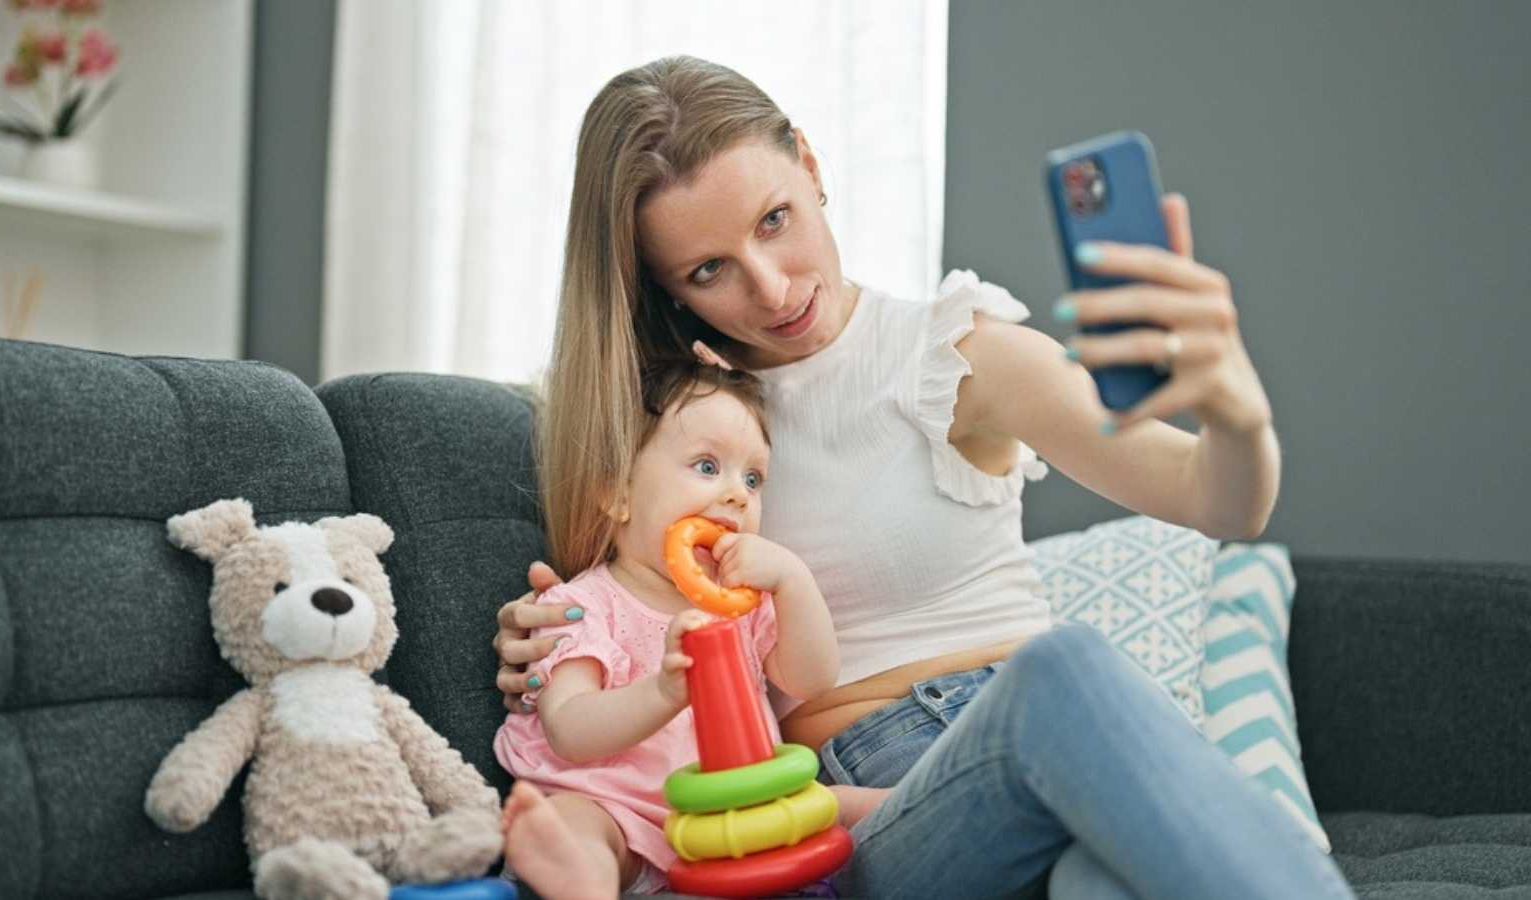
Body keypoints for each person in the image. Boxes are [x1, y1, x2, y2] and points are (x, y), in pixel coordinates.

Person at [492, 55, 1354, 899]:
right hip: (883, 800)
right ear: (666, 289)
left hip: (1060, 747)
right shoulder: (674, 430)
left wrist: (1239, 416)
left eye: (774, 220)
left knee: (1099, 877)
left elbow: (1215, 500)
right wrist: (551, 638)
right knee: (1062, 674)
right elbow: (618, 612)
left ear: (811, 165)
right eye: (708, 271)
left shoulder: (956, 354)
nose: (772, 285)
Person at [493, 358, 884, 898]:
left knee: (843, 802)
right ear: (618, 493)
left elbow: (811, 679)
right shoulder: (580, 605)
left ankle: (936, 810)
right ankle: (581, 879)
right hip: (621, 810)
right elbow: (570, 728)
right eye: (706, 466)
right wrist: (663, 691)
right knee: (576, 823)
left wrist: (793, 581)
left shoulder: (740, 604)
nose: (737, 494)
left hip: (736, 808)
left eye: (753, 477)